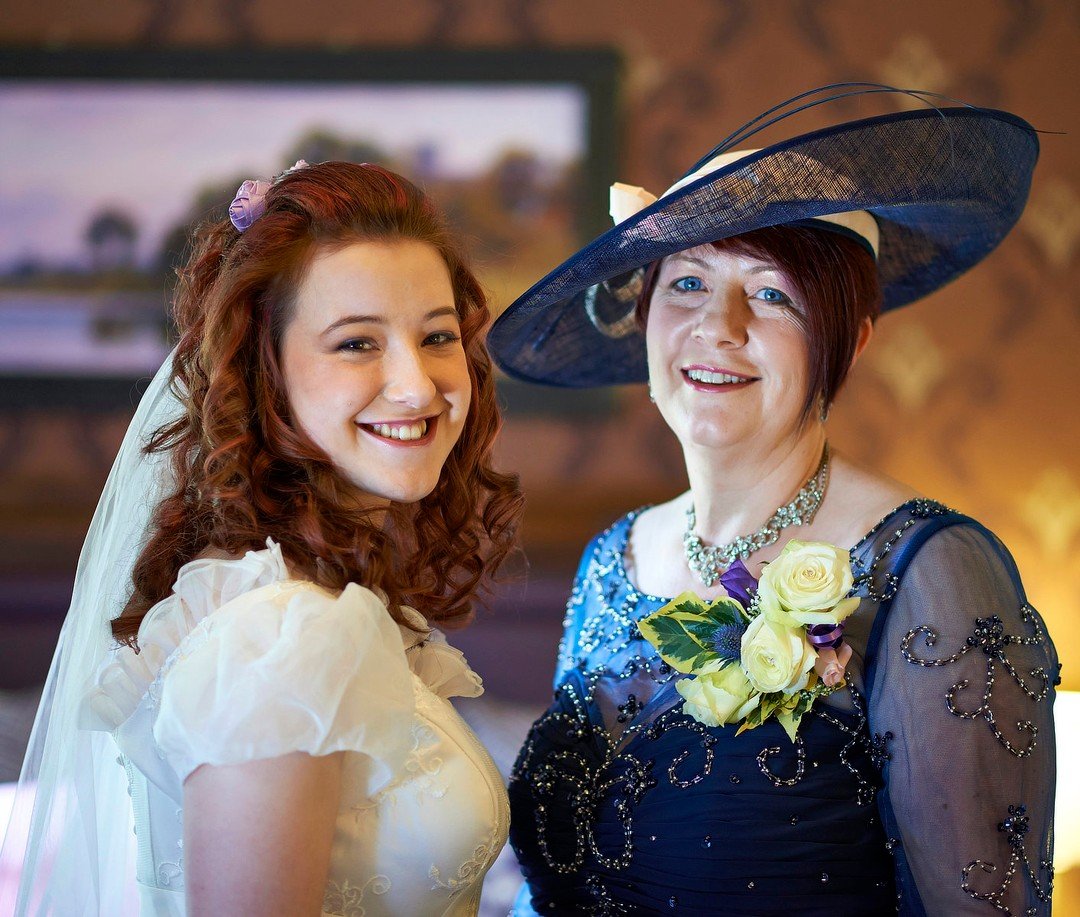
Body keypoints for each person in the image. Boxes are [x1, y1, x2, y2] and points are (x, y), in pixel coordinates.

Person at [488, 85, 1058, 916]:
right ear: (642, 315)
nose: (716, 326)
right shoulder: (612, 555)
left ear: (851, 339)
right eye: (685, 282)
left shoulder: (928, 571)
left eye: (771, 293)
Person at [1, 160, 523, 915]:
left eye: (437, 335)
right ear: (266, 370)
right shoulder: (280, 635)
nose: (417, 384)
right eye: (357, 343)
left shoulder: (313, 598)